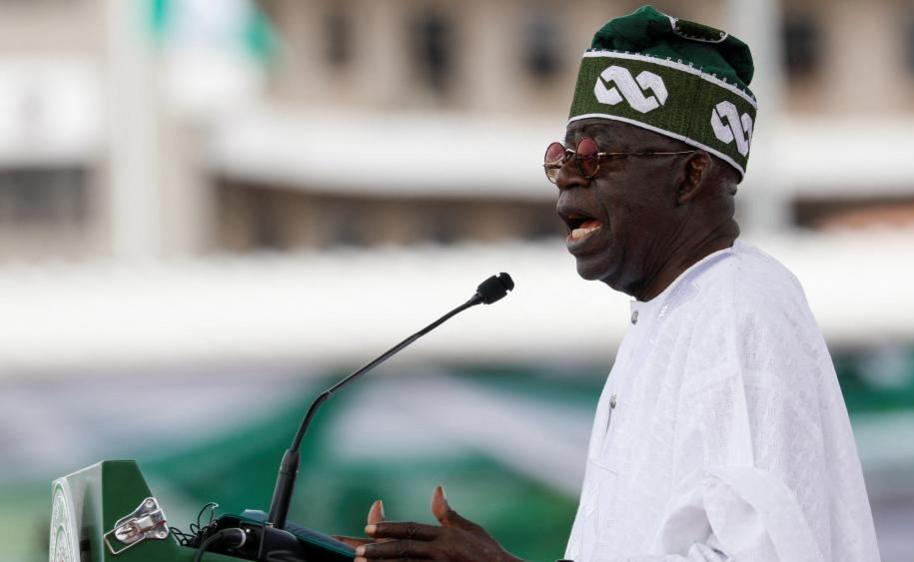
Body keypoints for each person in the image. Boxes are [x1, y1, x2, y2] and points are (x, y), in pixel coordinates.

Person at [341, 6, 881, 562]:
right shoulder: (669, 313)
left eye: (597, 155)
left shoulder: (739, 308)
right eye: (563, 155)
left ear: (689, 175)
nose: (569, 175)